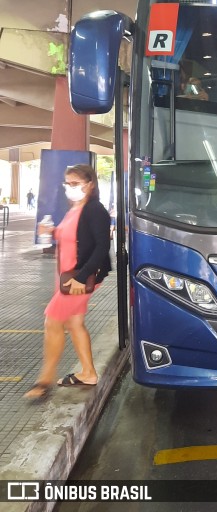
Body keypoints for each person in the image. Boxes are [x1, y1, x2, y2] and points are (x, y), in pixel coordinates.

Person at [24, 164, 112, 402]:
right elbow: (72, 239)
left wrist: (80, 278)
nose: (70, 188)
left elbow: (102, 247)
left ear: (90, 184)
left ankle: (44, 381)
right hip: (66, 278)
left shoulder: (95, 210)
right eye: (67, 183)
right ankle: (88, 373)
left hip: (78, 279)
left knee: (52, 321)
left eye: (75, 183)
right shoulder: (75, 208)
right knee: (74, 323)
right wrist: (51, 232)